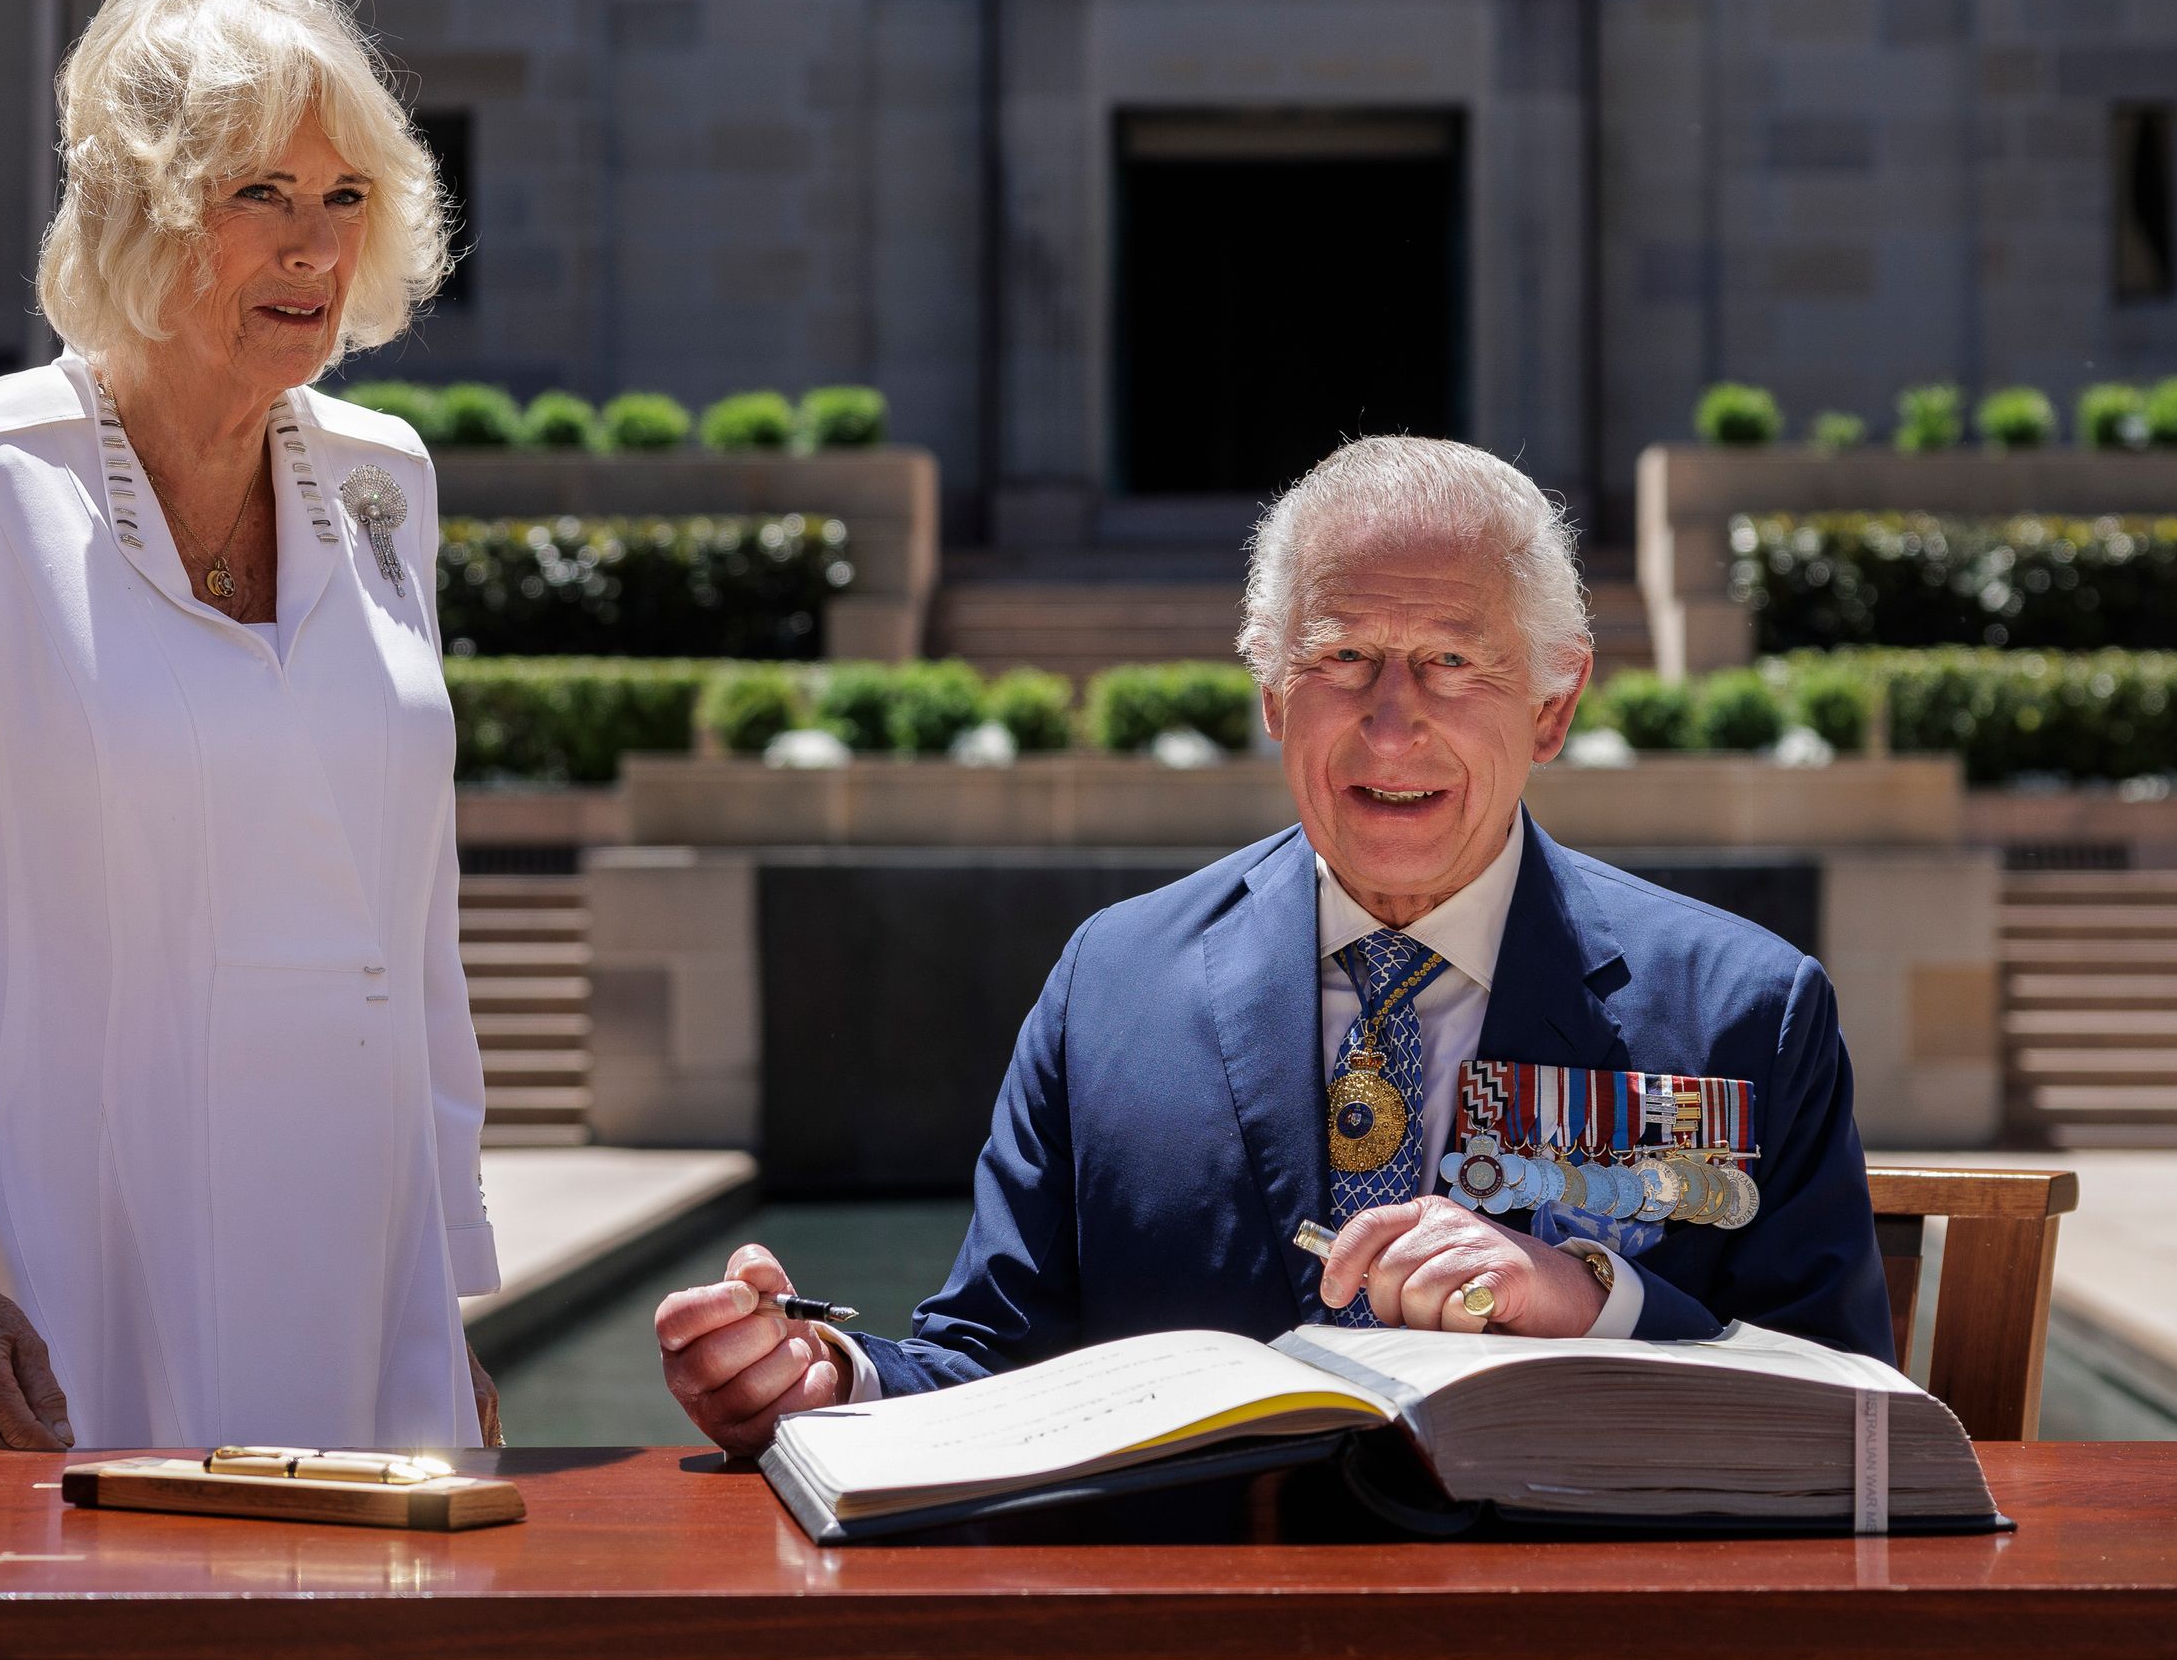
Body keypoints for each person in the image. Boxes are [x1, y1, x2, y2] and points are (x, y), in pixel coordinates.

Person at [657, 437, 1889, 1454]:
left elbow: (1855, 1423)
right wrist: (827, 1379)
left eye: (1453, 662)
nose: (1391, 724)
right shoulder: (1112, 985)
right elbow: (994, 1352)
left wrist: (1594, 1302)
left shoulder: (1747, 1009)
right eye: (1341, 657)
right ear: (1269, 694)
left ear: (1553, 705)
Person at [0, 0, 505, 1453]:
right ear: (146, 204)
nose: (313, 247)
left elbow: (413, 941)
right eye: (261, 195)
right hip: (53, 1309)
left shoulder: (389, 485)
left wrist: (445, 1301)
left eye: (344, 198)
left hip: (361, 1306)